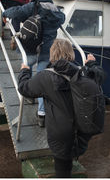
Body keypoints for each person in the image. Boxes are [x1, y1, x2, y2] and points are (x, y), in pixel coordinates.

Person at [17, 39, 104, 178]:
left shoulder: (45, 76)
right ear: (71, 53)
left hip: (61, 134)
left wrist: (24, 72)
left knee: (62, 170)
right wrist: (92, 64)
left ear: (52, 54)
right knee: (71, 155)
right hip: (83, 129)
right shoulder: (83, 72)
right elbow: (99, 78)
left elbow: (24, 89)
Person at [2, 0, 65, 126]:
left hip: (31, 44)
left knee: (28, 65)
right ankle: (42, 114)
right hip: (47, 49)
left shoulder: (34, 5)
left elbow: (16, 12)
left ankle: (29, 93)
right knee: (43, 78)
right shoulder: (56, 10)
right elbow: (62, 20)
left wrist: (4, 13)